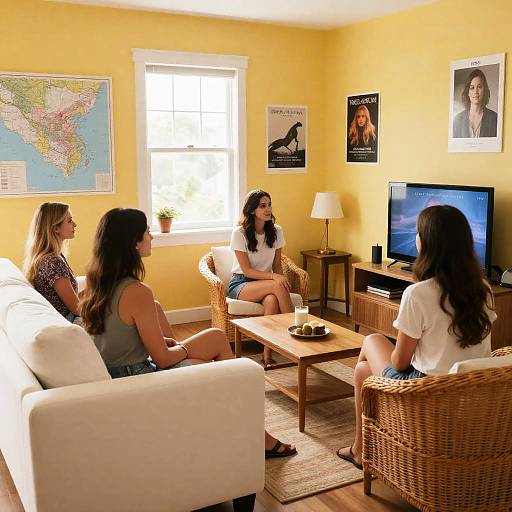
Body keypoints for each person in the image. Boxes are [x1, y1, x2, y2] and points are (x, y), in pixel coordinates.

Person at [80, 207, 296, 458]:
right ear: (134, 244)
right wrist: (181, 349)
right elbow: (162, 359)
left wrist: (165, 342)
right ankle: (258, 436)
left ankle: (248, 432)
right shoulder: (136, 292)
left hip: (120, 373)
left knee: (213, 343)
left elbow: (117, 331)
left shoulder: (94, 284)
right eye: (147, 232)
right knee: (219, 354)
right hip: (137, 378)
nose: (151, 237)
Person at [337, 205, 497, 469]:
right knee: (362, 372)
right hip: (470, 391)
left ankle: (360, 451)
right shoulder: (485, 290)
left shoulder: (418, 293)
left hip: (423, 394)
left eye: (418, 233)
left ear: (426, 243)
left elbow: (399, 364)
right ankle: (360, 449)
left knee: (370, 341)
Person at [228, 190, 294, 367]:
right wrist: (274, 279)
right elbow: (247, 270)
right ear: (251, 210)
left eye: (269, 205)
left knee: (272, 300)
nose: (268, 209)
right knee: (276, 288)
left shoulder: (276, 231)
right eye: (262, 206)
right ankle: (296, 336)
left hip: (266, 284)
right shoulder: (239, 233)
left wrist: (281, 279)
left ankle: (266, 356)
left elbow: (278, 265)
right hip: (241, 283)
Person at [24, 202, 80, 322]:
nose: (74, 225)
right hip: (68, 321)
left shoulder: (55, 256)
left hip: (69, 316)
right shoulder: (52, 262)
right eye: (69, 221)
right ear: (55, 228)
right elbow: (76, 308)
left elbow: (72, 300)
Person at [453, 68, 498, 138]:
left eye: (479, 87)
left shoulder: (494, 118)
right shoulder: (458, 119)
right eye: (472, 88)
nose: (476, 92)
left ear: (484, 90)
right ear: (468, 92)